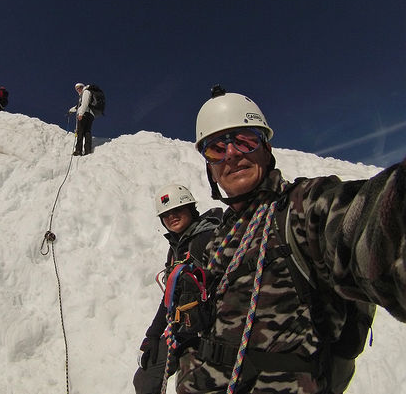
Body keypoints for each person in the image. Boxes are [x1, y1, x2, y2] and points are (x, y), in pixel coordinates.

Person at [171, 86, 406, 394]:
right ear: (210, 168)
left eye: (244, 140)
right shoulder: (219, 240)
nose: (231, 154)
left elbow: (372, 224)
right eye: (216, 148)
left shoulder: (302, 208)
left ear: (266, 148)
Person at [133, 184, 222, 394]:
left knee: (190, 385)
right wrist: (153, 335)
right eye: (165, 215)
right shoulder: (176, 250)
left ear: (191, 209)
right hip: (183, 328)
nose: (171, 217)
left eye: (177, 210)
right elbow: (170, 296)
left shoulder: (207, 239)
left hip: (211, 328)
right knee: (146, 379)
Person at [68, 82, 94, 156]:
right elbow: (77, 107)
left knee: (80, 131)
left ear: (83, 87)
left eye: (79, 87)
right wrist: (70, 110)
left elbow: (84, 103)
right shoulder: (84, 95)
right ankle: (87, 150)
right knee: (87, 131)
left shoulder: (86, 92)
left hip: (85, 114)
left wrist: (81, 114)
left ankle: (78, 150)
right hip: (90, 114)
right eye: (77, 89)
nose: (78, 89)